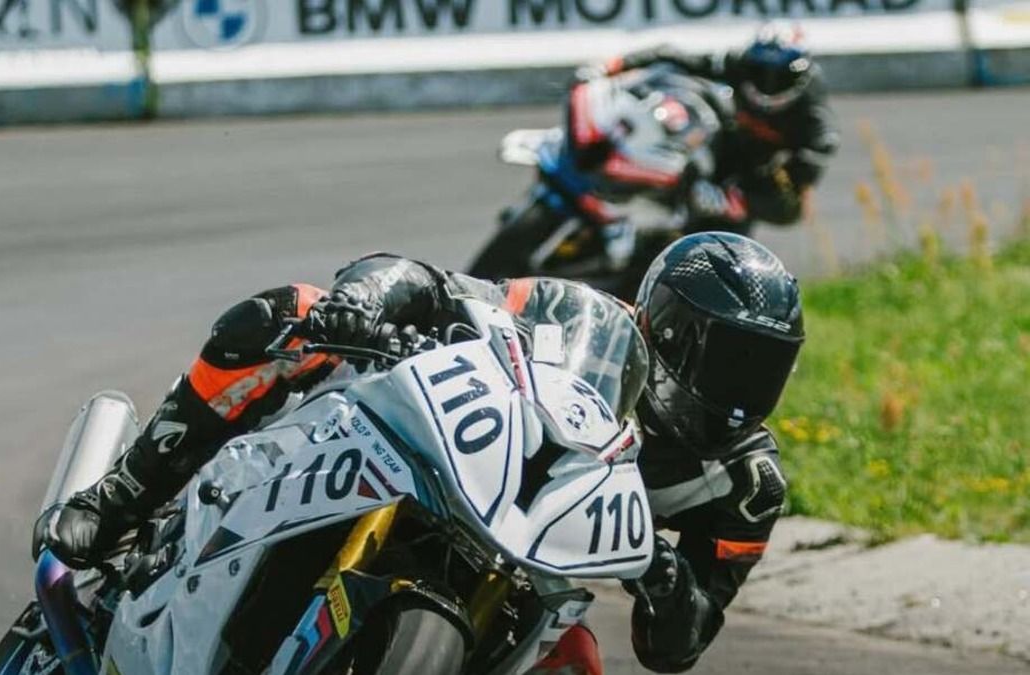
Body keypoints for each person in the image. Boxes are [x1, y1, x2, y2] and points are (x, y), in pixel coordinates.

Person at [43, 233, 803, 673]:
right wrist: (366, 299)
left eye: (764, 369)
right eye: (728, 360)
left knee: (580, 658)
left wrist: (668, 579)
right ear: (666, 327)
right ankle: (124, 497)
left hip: (531, 575)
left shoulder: (746, 484)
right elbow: (433, 283)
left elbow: (677, 647)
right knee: (294, 312)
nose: (739, 392)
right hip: (456, 473)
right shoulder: (583, 323)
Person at [580, 22, 840, 235]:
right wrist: (611, 65)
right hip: (721, 145)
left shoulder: (816, 127)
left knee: (722, 239)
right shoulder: (738, 63)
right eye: (759, 71)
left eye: (778, 78)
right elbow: (672, 54)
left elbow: (791, 204)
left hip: (754, 174)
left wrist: (740, 199)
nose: (767, 84)